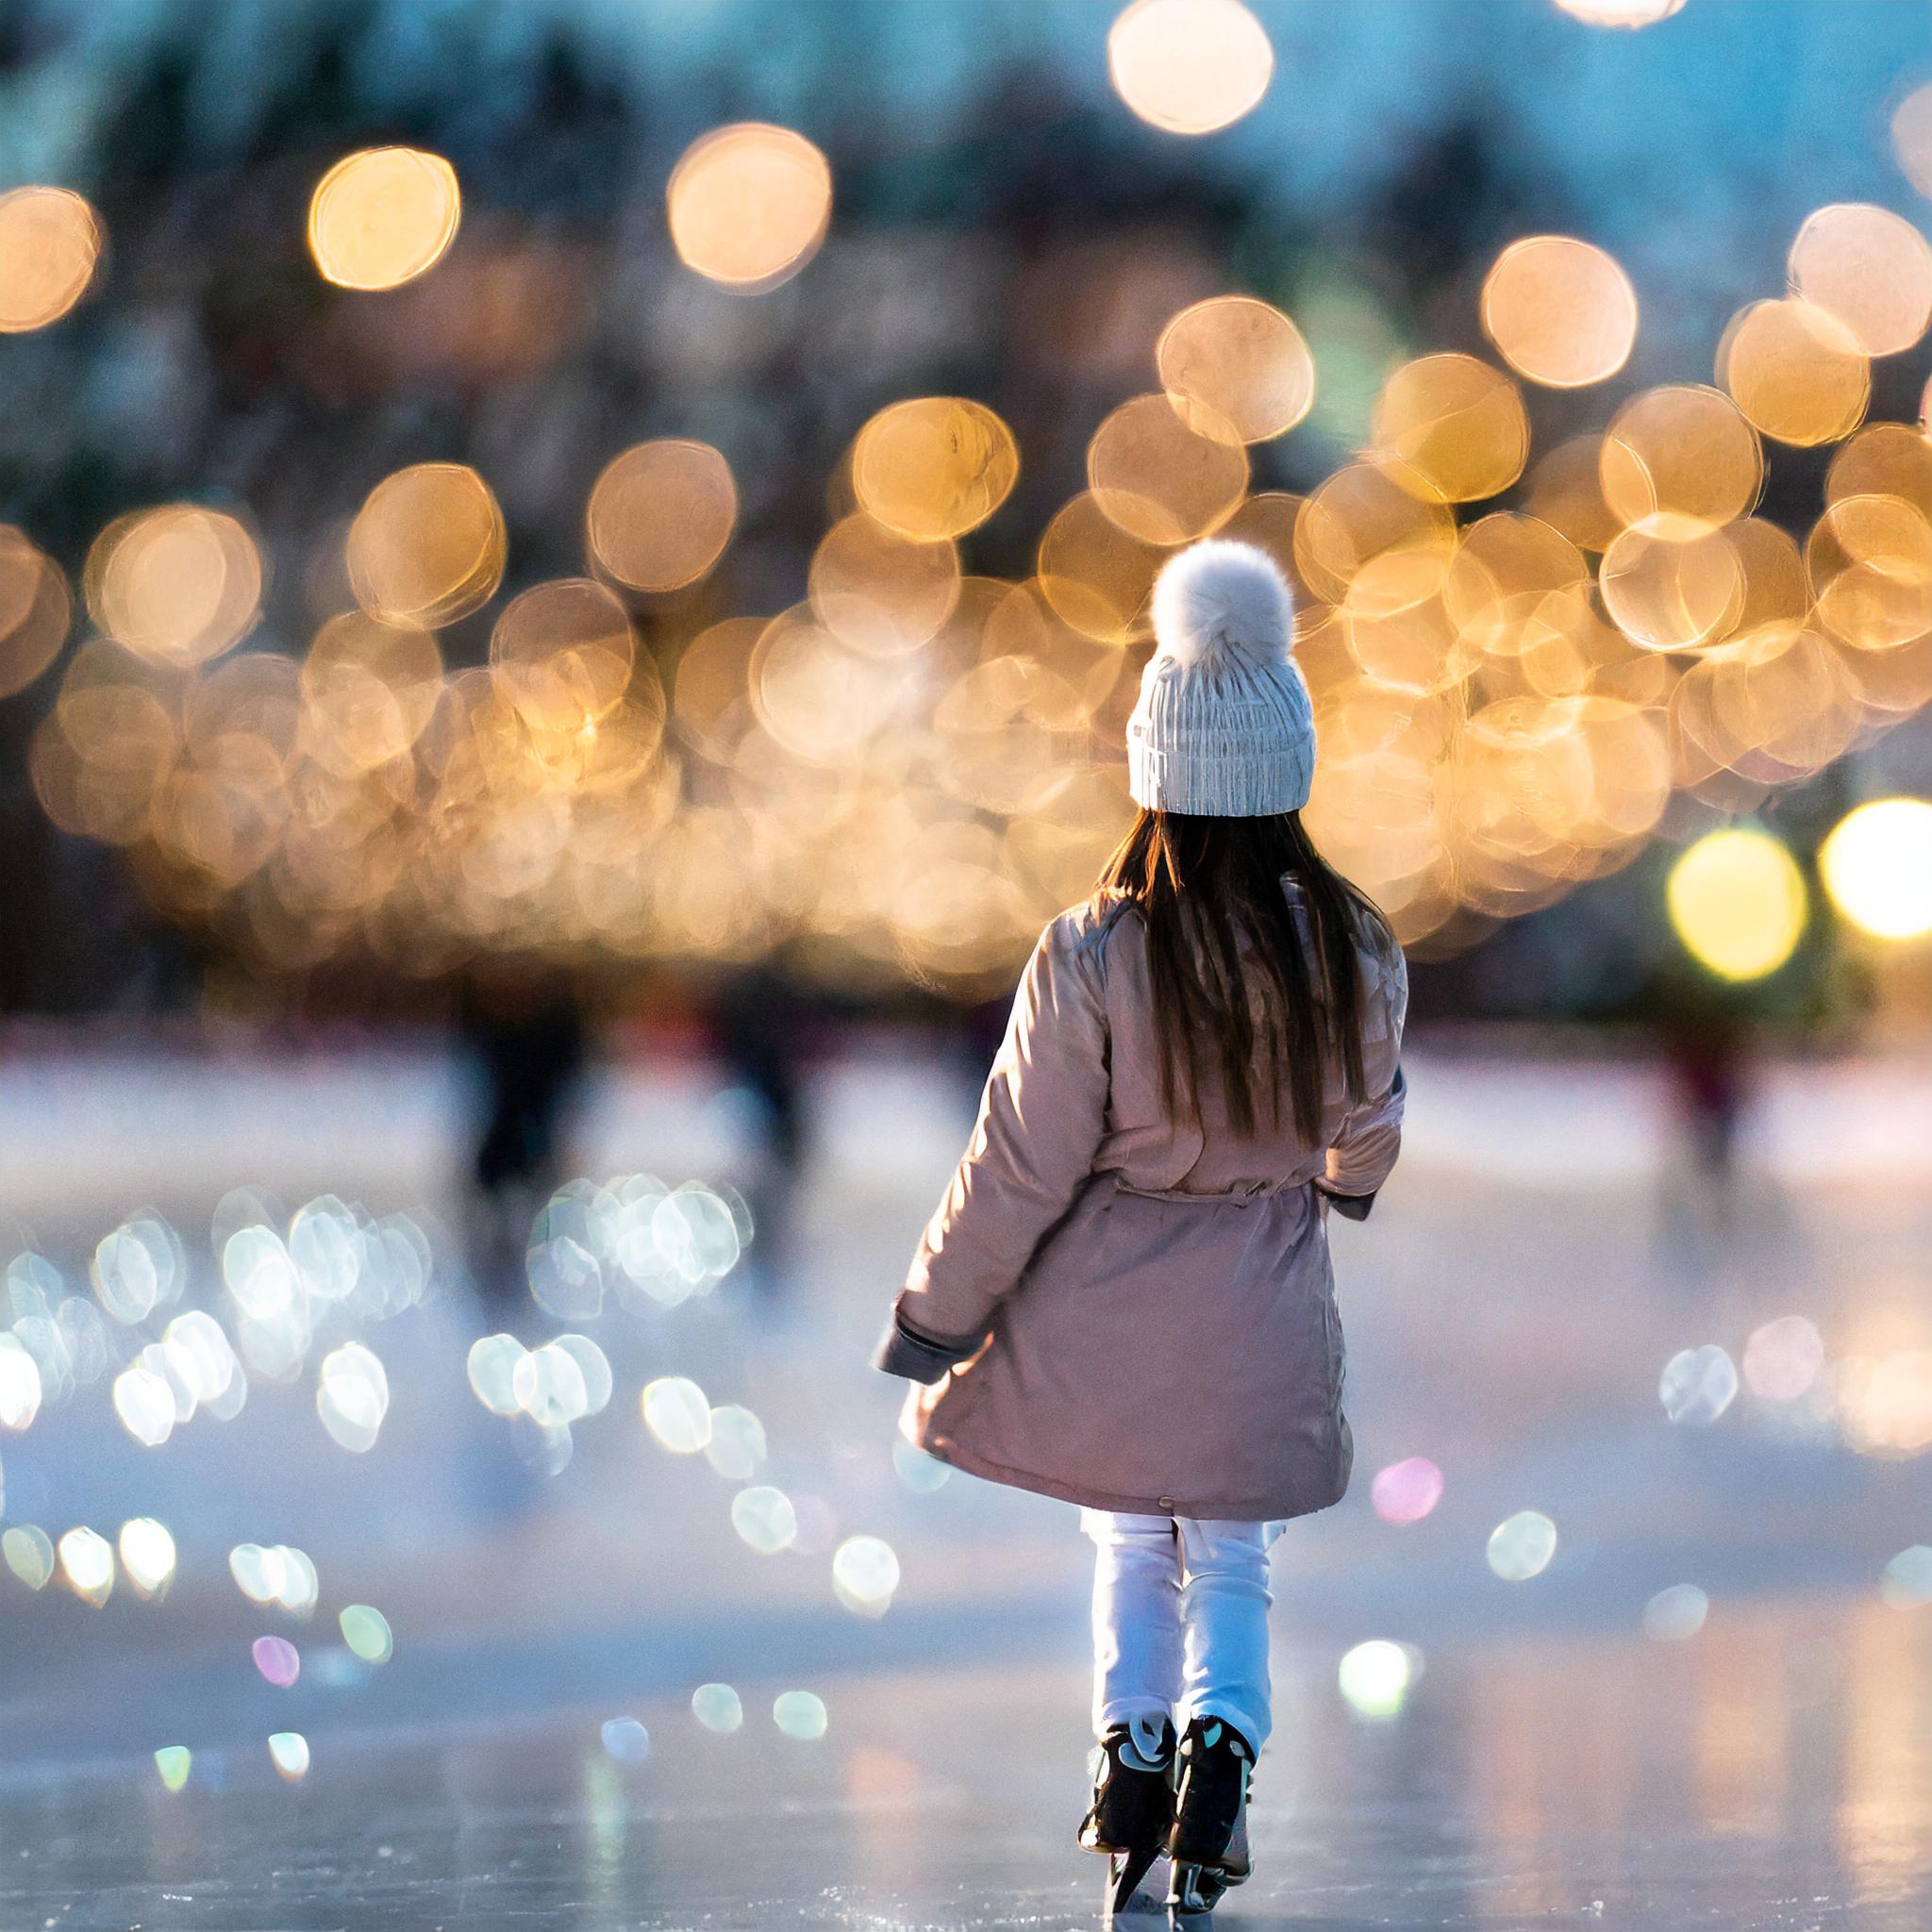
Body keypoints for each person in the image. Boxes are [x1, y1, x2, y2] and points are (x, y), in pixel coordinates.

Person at [872, 539, 1407, 1921]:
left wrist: (941, 1311)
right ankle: (1222, 1750)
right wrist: (1339, 1177)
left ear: (1155, 774)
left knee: (1130, 1544)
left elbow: (1020, 1157)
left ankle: (1129, 1756)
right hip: (1263, 1301)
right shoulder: (1348, 946)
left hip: (1106, 1300)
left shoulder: (1095, 949)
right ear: (1285, 776)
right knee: (1230, 1550)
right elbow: (1367, 1124)